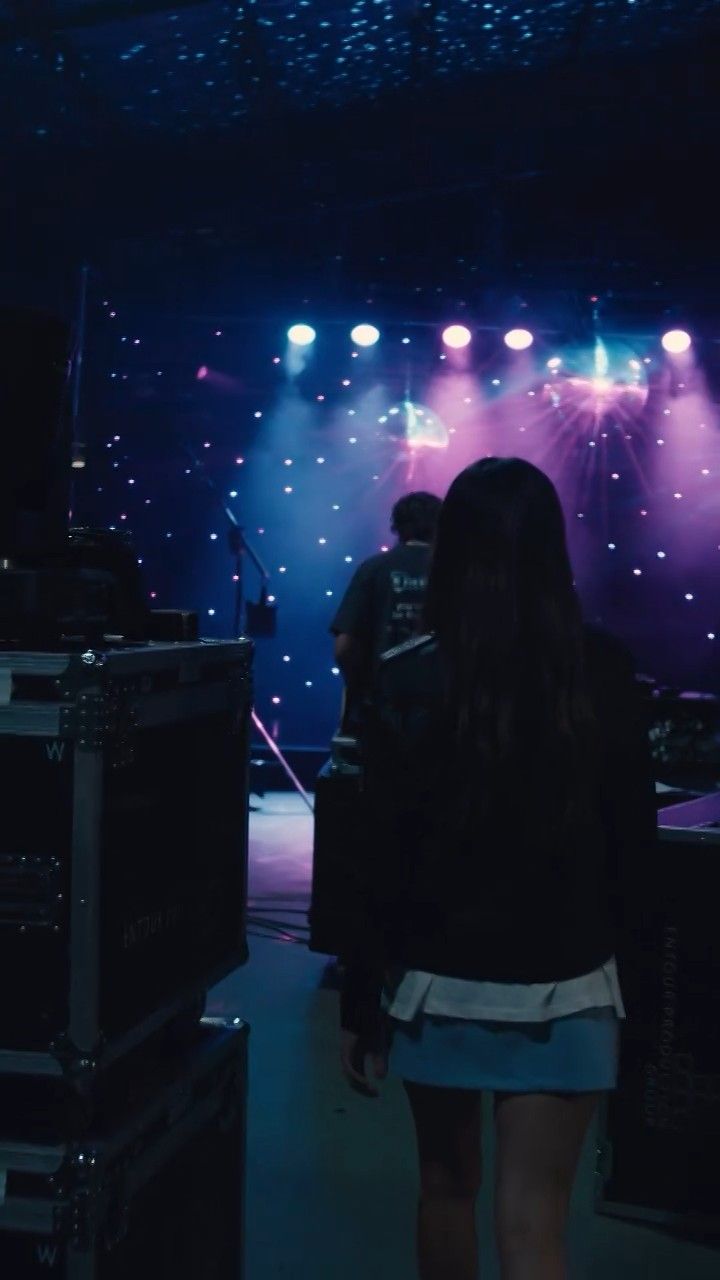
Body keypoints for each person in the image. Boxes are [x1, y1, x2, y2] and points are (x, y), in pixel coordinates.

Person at [339, 458, 657, 1280]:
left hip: (438, 984)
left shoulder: (407, 674)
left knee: (445, 1192)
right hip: (571, 985)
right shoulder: (603, 670)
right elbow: (633, 852)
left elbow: (377, 858)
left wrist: (361, 1000)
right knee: (535, 1225)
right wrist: (645, 1005)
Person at [330, 491, 441, 726]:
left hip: (382, 713)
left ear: (396, 526)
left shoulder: (373, 568)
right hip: (441, 714)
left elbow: (344, 648)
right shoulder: (457, 571)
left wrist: (362, 689)